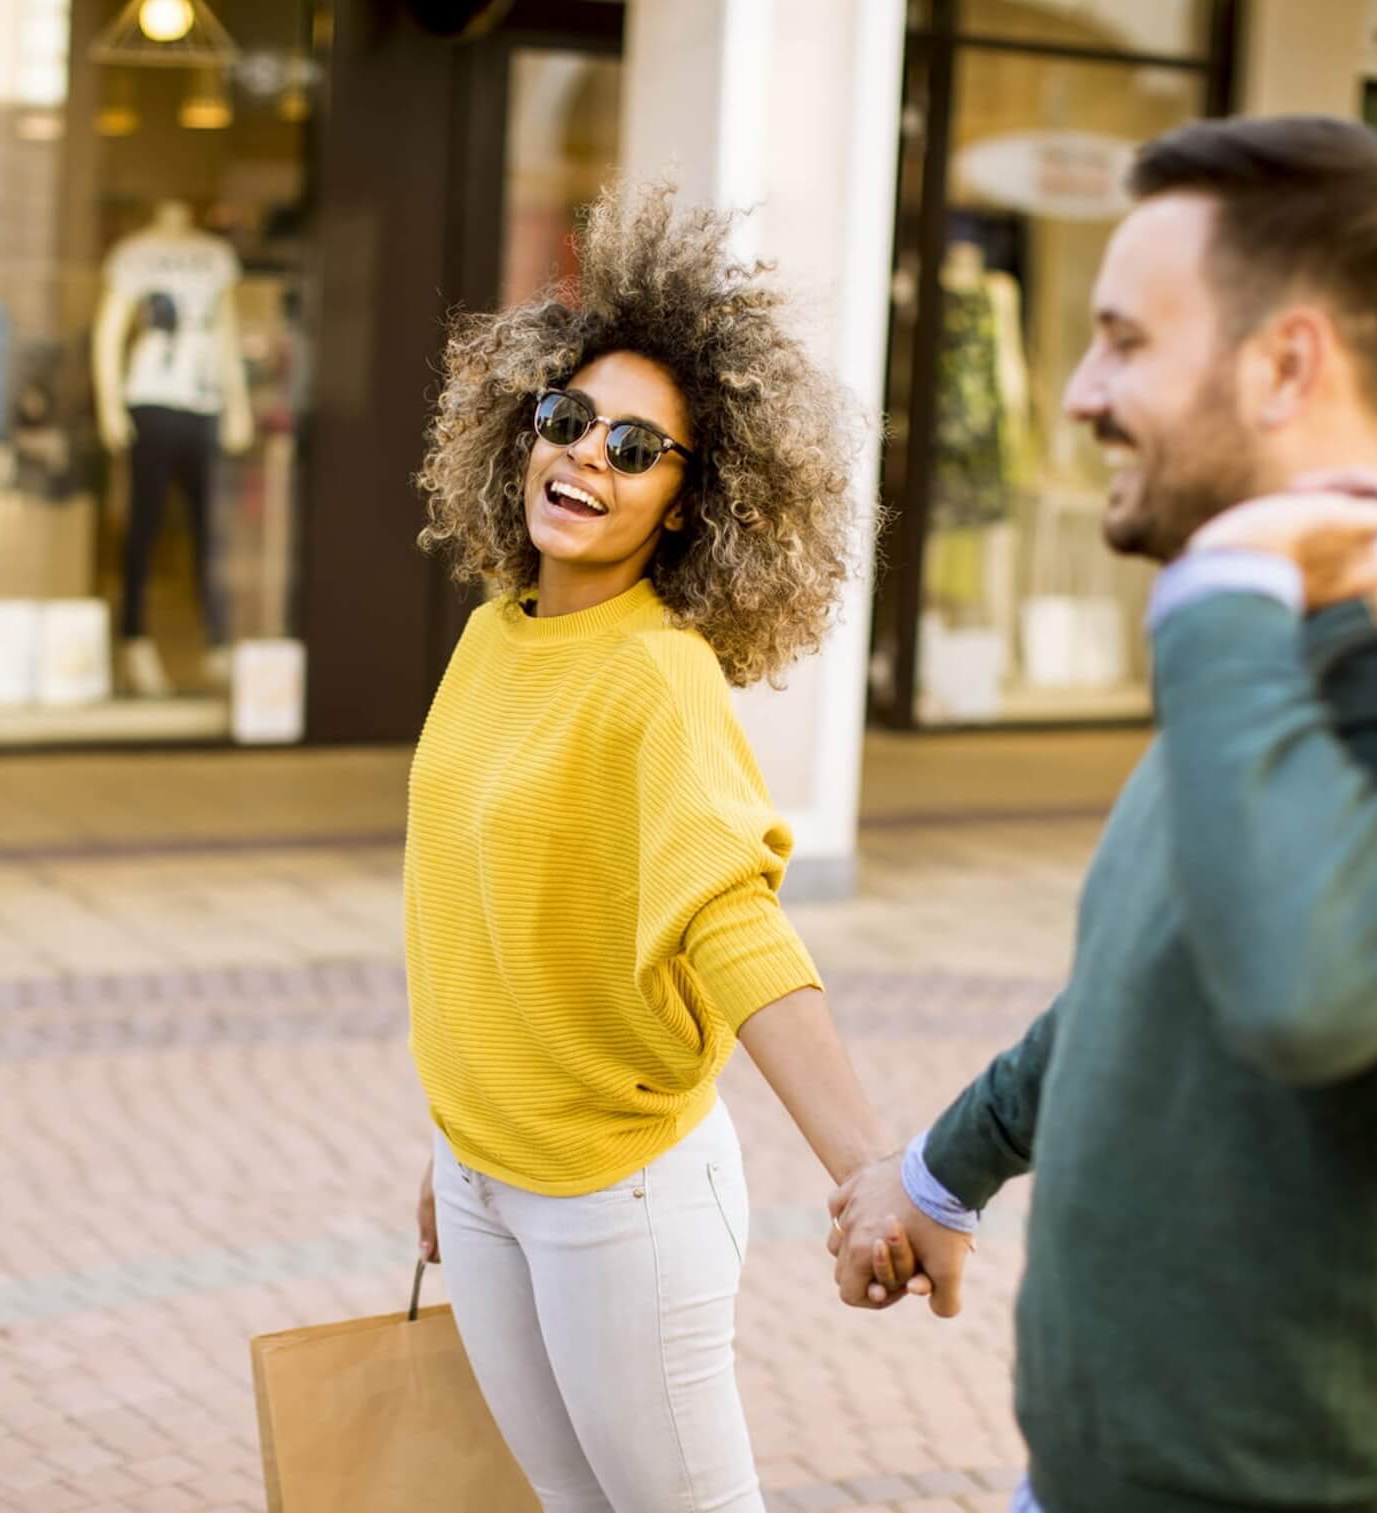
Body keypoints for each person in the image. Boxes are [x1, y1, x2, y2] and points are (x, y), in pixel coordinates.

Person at [829, 116, 1377, 1513]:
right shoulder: (1274, 643)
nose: (1079, 393)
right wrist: (943, 1171)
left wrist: (1217, 599)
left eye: (1126, 341)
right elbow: (1142, 986)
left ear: (1286, 363)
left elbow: (1299, 992)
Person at [406, 183, 909, 1513]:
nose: (588, 460)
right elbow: (489, 919)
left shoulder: (658, 680)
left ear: (690, 504)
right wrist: (454, 1144)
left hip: (616, 1202)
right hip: (487, 1177)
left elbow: (732, 923)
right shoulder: (493, 634)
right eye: (570, 423)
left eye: (639, 448)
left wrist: (866, 1164)